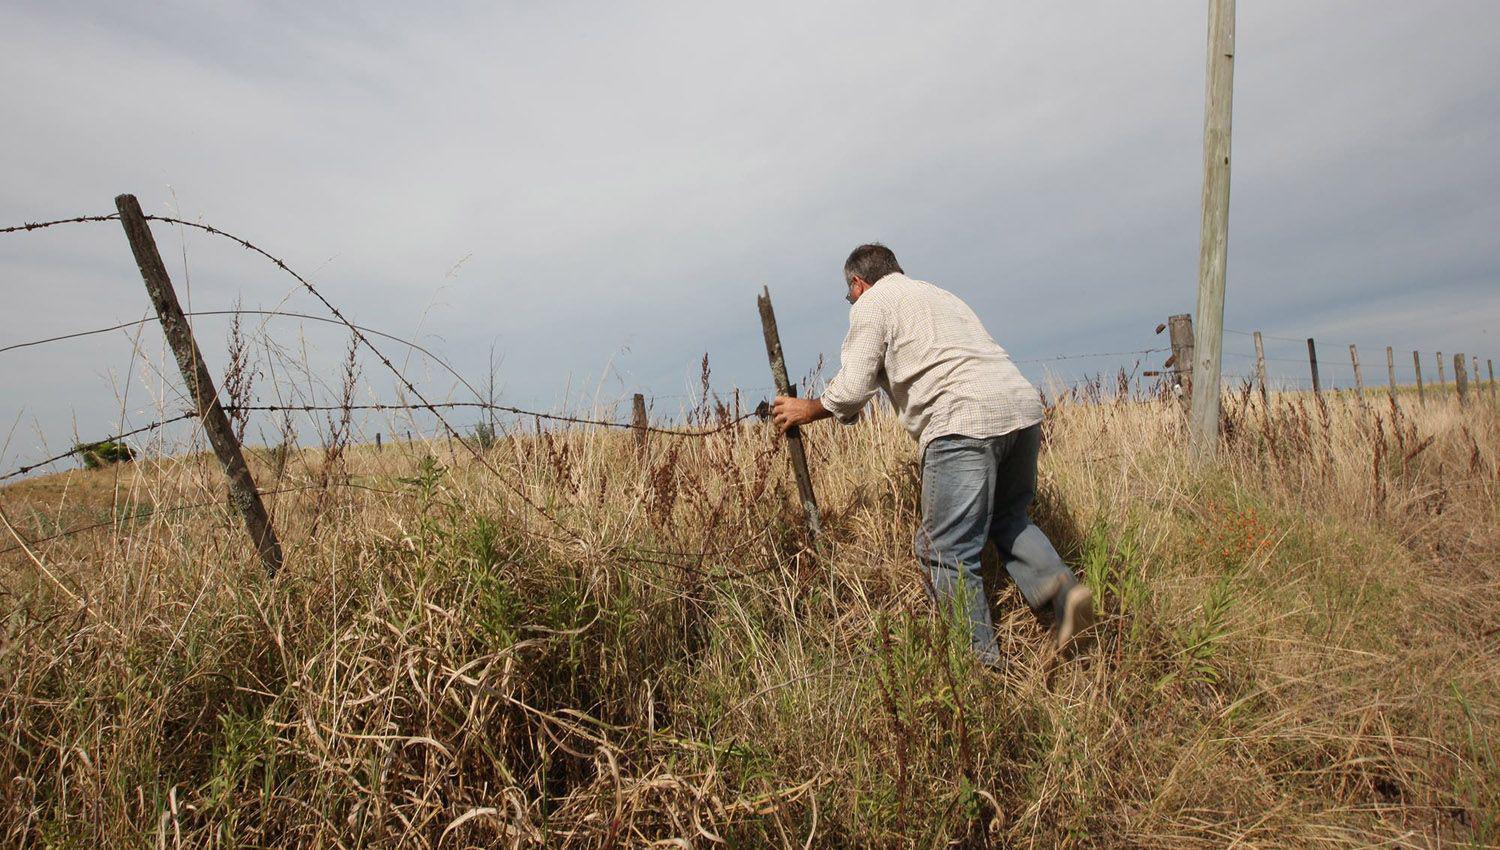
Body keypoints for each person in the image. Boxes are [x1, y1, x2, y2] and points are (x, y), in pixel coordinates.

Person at [771, 243, 1094, 664]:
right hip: (1021, 412)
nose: (849, 301)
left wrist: (807, 408)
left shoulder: (873, 303)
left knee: (943, 550)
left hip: (960, 422)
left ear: (857, 282)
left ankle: (979, 668)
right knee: (1008, 518)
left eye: (848, 294)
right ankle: (1065, 595)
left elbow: (851, 390)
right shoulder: (940, 296)